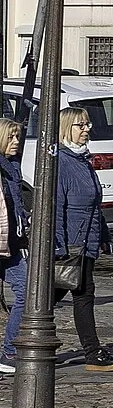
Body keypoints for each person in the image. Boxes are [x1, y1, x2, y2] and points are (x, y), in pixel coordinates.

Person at [52, 110, 113, 369]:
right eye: (81, 125)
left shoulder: (82, 160)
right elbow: (55, 207)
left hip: (85, 241)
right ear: (67, 128)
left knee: (57, 297)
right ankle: (92, 353)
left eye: (88, 124)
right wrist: (58, 246)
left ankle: (92, 353)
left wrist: (103, 236)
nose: (87, 129)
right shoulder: (61, 163)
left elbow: (93, 205)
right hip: (71, 244)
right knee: (80, 295)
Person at [0, 117, 23, 377]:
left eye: (18, 137)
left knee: (27, 291)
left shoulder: (13, 166)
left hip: (10, 243)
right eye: (11, 137)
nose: (16, 142)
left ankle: (9, 351)